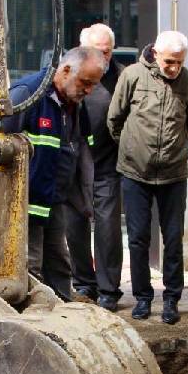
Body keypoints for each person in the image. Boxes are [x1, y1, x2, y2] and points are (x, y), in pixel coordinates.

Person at [107, 31, 188, 325]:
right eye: (170, 61)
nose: (174, 68)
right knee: (138, 239)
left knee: (173, 239)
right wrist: (135, 148)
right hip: (135, 173)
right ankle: (143, 298)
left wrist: (170, 150)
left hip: (173, 174)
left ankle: (172, 299)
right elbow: (115, 119)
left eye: (180, 62)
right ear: (156, 53)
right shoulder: (133, 76)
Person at [4, 46, 104, 301]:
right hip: (25, 204)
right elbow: (2, 149)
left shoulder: (73, 104)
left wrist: (82, 198)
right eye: (85, 82)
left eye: (93, 84)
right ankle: (31, 324)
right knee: (30, 266)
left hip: (54, 200)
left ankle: (62, 315)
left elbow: (78, 151)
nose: (89, 90)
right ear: (66, 70)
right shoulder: (27, 95)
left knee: (59, 262)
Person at [70, 24, 127, 309]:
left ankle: (109, 289)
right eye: (96, 51)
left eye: (106, 51)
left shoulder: (122, 76)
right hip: (76, 163)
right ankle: (83, 283)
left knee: (107, 227)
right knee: (75, 225)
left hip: (108, 162)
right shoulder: (70, 72)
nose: (102, 57)